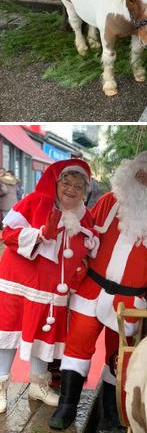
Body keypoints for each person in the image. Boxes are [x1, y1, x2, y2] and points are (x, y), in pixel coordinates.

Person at [49, 152, 147, 430]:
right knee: (77, 347)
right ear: (131, 174)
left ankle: (112, 411)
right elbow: (84, 231)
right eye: (141, 173)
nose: (146, 180)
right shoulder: (110, 201)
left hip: (128, 301)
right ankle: (67, 406)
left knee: (119, 356)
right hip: (91, 290)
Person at [0, 159, 98, 413]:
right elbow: (7, 233)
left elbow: (88, 251)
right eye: (67, 182)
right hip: (19, 282)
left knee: (45, 335)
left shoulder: (85, 217)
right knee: (7, 334)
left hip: (53, 289)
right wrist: (40, 234)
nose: (72, 189)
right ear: (56, 183)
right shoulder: (34, 202)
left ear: (84, 191)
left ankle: (38, 384)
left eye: (79, 185)